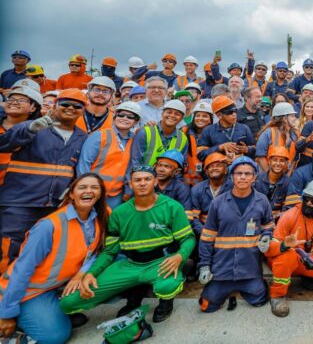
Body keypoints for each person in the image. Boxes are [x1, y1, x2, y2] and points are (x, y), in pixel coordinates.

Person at [59, 166, 195, 323]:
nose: (142, 183)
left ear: (155, 182)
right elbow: (110, 251)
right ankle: (133, 298)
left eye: (147, 179)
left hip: (160, 262)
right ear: (130, 184)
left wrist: (180, 256)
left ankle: (165, 304)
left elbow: (188, 238)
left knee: (167, 286)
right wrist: (91, 273)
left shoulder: (172, 207)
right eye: (137, 180)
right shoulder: (119, 213)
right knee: (69, 301)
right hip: (130, 264)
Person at [0, 174, 108, 343]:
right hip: (28, 291)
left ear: (101, 193)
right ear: (71, 194)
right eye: (82, 187)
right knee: (55, 336)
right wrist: (7, 314)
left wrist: (82, 274)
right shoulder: (49, 226)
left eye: (95, 187)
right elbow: (22, 271)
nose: (89, 191)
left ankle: (52, 313)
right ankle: (18, 326)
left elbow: (96, 252)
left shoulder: (101, 216)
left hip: (55, 287)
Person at [0, 89, 87, 271]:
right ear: (55, 106)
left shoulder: (82, 138)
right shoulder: (33, 127)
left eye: (77, 105)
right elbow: (4, 144)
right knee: (8, 249)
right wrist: (29, 128)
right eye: (65, 104)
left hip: (53, 206)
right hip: (19, 202)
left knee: (41, 252)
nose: (70, 108)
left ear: (83, 110)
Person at [197, 156, 273, 313]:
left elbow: (268, 225)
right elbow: (206, 238)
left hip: (249, 268)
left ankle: (253, 285)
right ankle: (225, 291)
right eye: (239, 173)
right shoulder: (218, 203)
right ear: (231, 177)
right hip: (221, 269)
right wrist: (204, 266)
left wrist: (267, 236)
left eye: (248, 173)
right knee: (206, 306)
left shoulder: (262, 201)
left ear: (254, 177)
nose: (243, 177)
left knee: (260, 300)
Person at [264, 180, 313, 317]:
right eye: (306, 198)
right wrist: (284, 245)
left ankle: (305, 274)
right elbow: (269, 250)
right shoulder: (289, 215)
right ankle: (277, 296)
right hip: (286, 256)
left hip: (308, 258)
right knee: (286, 259)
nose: (308, 203)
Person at [77, 101, 141, 208]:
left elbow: (131, 168)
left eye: (130, 117)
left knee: (110, 224)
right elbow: (84, 164)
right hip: (93, 192)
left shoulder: (134, 140)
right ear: (115, 116)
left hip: (116, 195)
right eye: (121, 115)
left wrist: (128, 191)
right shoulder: (99, 135)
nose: (124, 118)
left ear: (135, 122)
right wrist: (85, 189)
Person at [0, 86, 42, 186]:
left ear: (33, 107)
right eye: (11, 99)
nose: (14, 102)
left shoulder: (38, 133)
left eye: (22, 100)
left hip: (17, 191)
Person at [196, 96, 256, 164]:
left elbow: (255, 149)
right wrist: (220, 147)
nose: (234, 114)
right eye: (230, 112)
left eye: (235, 111)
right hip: (217, 169)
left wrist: (247, 149)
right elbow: (200, 154)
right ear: (219, 115)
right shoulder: (208, 130)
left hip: (239, 168)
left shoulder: (244, 128)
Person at [129, 100, 189, 168]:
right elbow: (135, 161)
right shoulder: (145, 132)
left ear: (182, 118)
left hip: (169, 178)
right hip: (145, 176)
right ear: (162, 113)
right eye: (169, 112)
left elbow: (180, 166)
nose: (172, 115)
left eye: (177, 114)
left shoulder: (183, 138)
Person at [189, 153, 231, 236]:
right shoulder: (197, 189)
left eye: (218, 165)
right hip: (203, 231)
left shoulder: (233, 188)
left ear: (226, 170)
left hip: (228, 232)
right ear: (206, 172)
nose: (214, 168)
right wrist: (203, 233)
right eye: (211, 166)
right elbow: (194, 217)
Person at [255, 102, 299, 173]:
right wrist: (270, 176)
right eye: (292, 116)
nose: (295, 118)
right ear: (284, 118)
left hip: (285, 175)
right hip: (266, 174)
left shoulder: (295, 134)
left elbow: (294, 159)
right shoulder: (268, 133)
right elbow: (261, 157)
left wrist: (287, 177)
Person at [255, 147, 291, 218]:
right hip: (255, 217)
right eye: (275, 160)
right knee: (250, 229)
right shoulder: (257, 179)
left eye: (282, 161)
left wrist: (277, 215)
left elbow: (289, 208)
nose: (278, 163)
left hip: (277, 221)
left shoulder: (288, 183)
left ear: (286, 163)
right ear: (269, 161)